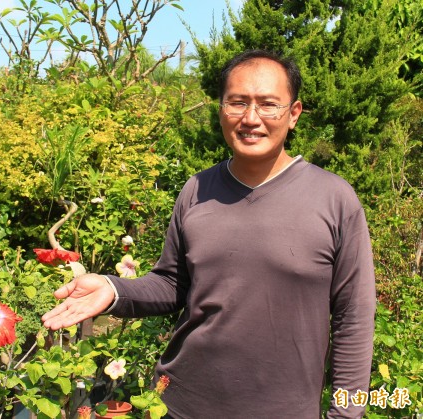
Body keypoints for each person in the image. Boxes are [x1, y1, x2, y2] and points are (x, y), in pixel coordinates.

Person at [42, 49, 376, 418]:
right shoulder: (197, 189)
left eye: (268, 104)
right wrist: (114, 288)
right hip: (181, 404)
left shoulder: (333, 199)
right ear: (221, 109)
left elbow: (354, 317)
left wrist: (347, 414)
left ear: (293, 114)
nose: (251, 118)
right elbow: (172, 284)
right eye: (237, 103)